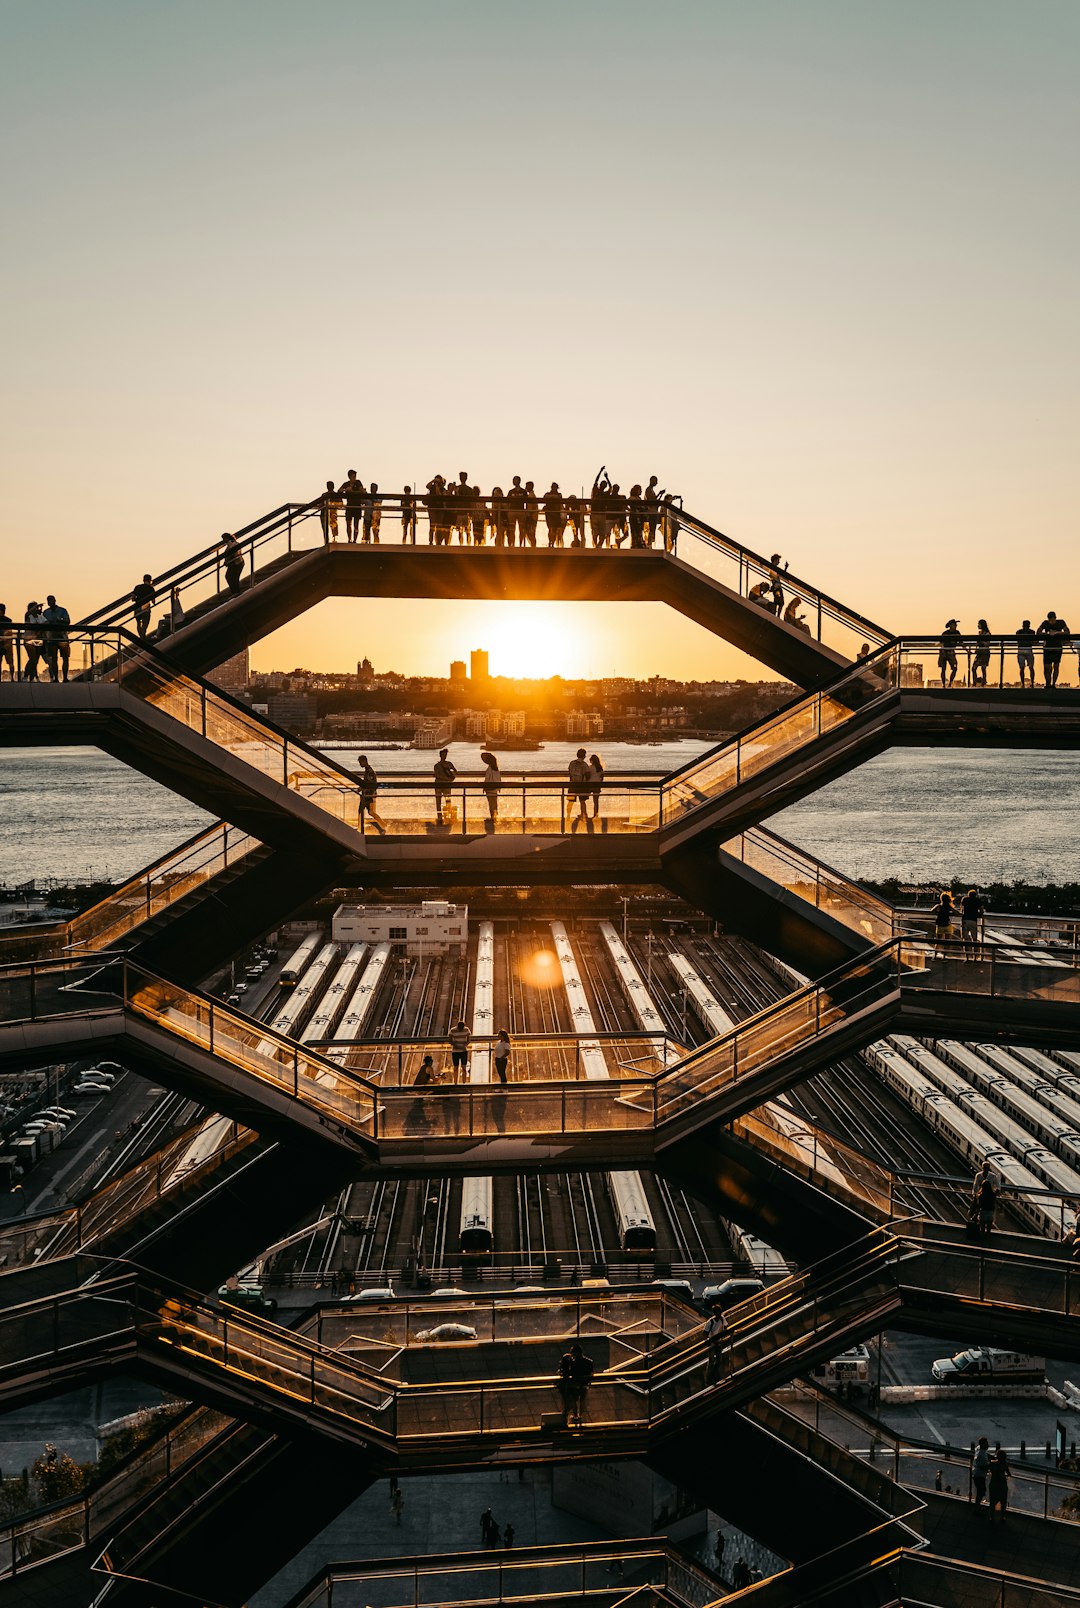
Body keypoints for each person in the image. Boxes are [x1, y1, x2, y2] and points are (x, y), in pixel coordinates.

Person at [1037, 610, 1071, 687]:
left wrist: (1057, 633)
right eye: (1050, 620)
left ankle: (1053, 684)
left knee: (1056, 666)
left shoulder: (1061, 622)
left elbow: (1067, 632)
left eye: (1052, 620)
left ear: (1055, 618)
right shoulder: (1045, 623)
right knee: (1047, 667)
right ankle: (1048, 683)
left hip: (1057, 647)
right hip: (1047, 647)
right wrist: (1047, 634)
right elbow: (1038, 631)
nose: (1051, 622)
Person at [42, 596, 71, 682]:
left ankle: (64, 677)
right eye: (48, 601)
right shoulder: (46, 612)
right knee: (54, 659)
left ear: (54, 601)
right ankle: (57, 678)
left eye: (50, 600)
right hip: (52, 637)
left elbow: (67, 621)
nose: (49, 602)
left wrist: (60, 621)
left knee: (64, 658)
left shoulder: (61, 611)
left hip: (61, 637)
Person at [356, 755, 386, 834]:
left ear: (364, 761)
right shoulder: (368, 771)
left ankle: (382, 826)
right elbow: (367, 783)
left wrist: (363, 789)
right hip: (368, 795)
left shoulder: (369, 771)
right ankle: (382, 827)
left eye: (360, 762)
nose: (360, 764)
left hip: (368, 796)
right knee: (369, 812)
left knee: (363, 811)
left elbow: (370, 784)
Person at [21, 602, 47, 681]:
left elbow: (46, 623)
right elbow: (28, 613)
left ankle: (32, 677)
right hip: (29, 639)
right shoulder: (29, 616)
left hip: (38, 639)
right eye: (35, 607)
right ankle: (25, 676)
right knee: (33, 659)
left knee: (36, 660)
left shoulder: (40, 617)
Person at [568, 748, 591, 831]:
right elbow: (588, 775)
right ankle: (583, 815)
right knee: (582, 801)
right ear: (584, 755)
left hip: (572, 785)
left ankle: (567, 816)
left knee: (570, 801)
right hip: (581, 785)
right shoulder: (584, 765)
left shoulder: (572, 763)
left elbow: (569, 773)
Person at [960, 887, 985, 960]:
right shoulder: (977, 900)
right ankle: (975, 958)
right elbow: (981, 911)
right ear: (975, 895)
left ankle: (967, 958)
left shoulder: (964, 899)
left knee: (966, 940)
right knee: (975, 940)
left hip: (965, 920)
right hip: (973, 920)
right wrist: (977, 914)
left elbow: (962, 909)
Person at [433, 748, 457, 825]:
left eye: (445, 754)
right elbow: (437, 775)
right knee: (439, 801)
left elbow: (455, 771)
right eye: (443, 754)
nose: (444, 756)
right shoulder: (437, 766)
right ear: (440, 755)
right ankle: (440, 817)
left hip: (444, 784)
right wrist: (448, 778)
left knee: (447, 801)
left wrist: (452, 777)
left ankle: (447, 817)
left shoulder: (448, 764)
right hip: (441, 784)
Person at [339, 471, 366, 541]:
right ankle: (349, 539)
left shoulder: (358, 482)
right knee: (348, 523)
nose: (354, 478)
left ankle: (355, 540)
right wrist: (346, 489)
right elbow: (339, 490)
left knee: (356, 524)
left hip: (357, 505)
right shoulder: (346, 484)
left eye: (355, 476)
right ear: (350, 477)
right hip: (349, 506)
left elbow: (361, 491)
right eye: (353, 476)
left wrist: (352, 492)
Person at [972, 1163, 997, 1236]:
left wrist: (975, 1214)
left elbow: (979, 1206)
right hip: (990, 1213)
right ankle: (988, 1238)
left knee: (982, 1228)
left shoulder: (981, 1196)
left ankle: (982, 1240)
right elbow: (994, 1204)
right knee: (989, 1229)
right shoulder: (992, 1195)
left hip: (983, 1213)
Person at [988, 1447, 1010, 1527]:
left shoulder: (993, 1463)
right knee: (1003, 1502)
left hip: (993, 1484)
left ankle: (992, 1517)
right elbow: (1008, 1473)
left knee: (993, 1501)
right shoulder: (1005, 1464)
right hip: (1002, 1484)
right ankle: (1002, 1517)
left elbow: (989, 1469)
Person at [704, 1307, 727, 1382]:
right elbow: (704, 1333)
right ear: (714, 1314)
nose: (720, 1315)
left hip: (718, 1342)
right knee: (711, 1361)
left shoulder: (722, 1319)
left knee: (719, 1360)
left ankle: (714, 1375)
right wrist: (710, 1341)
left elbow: (726, 1326)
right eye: (718, 1313)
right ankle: (708, 1378)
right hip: (712, 1343)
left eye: (720, 1313)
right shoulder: (710, 1322)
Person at [590, 467, 611, 547]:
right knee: (595, 533)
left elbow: (610, 488)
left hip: (602, 514)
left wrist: (607, 478)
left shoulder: (605, 494)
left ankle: (598, 546)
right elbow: (596, 480)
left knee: (602, 533)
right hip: (595, 513)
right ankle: (596, 546)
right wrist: (600, 472)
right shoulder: (595, 490)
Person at [480, 750, 502, 828]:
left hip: (490, 788)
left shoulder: (491, 769)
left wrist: (485, 787)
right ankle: (494, 817)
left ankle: (493, 817)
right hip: (494, 788)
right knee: (494, 803)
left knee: (491, 803)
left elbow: (488, 779)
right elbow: (498, 779)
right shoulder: (495, 768)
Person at [131, 574, 157, 640]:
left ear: (143, 580)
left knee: (138, 624)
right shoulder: (151, 588)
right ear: (150, 580)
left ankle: (142, 638)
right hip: (146, 608)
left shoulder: (137, 587)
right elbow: (153, 601)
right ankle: (142, 639)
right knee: (144, 625)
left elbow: (133, 598)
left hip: (137, 607)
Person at [937, 620, 962, 686]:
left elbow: (961, 642)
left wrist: (967, 650)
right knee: (943, 669)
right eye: (954, 624)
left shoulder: (957, 633)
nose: (956, 626)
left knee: (954, 668)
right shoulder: (945, 633)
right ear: (950, 625)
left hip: (950, 652)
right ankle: (944, 684)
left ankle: (950, 683)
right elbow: (941, 643)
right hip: (944, 652)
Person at [932, 889, 956, 956]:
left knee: (938, 941)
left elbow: (932, 911)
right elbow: (956, 912)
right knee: (947, 942)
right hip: (947, 925)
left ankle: (935, 955)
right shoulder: (949, 907)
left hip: (940, 925)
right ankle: (945, 956)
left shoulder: (939, 906)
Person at [317, 479, 341, 544]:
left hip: (331, 514)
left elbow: (340, 503)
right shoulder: (326, 495)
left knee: (332, 527)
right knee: (327, 528)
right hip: (326, 514)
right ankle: (329, 540)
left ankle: (332, 540)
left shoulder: (331, 495)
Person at [505, 476, 526, 547]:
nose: (513, 481)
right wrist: (507, 511)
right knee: (511, 529)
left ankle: (521, 544)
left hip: (521, 511)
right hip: (512, 511)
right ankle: (512, 544)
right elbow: (507, 502)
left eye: (515, 480)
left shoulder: (523, 491)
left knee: (521, 529)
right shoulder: (511, 492)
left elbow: (527, 502)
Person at [543, 483, 565, 547]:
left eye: (554, 487)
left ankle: (553, 543)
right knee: (550, 528)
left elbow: (559, 500)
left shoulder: (559, 495)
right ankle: (550, 542)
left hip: (556, 514)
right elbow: (544, 499)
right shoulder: (547, 494)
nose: (553, 488)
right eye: (553, 487)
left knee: (554, 529)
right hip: (549, 514)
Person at [1015, 619, 1036, 687]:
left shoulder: (1018, 632)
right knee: (1031, 667)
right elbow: (1033, 642)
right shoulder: (1032, 632)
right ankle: (1032, 683)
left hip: (1021, 649)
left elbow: (1018, 641)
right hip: (1028, 649)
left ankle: (1023, 683)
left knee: (1022, 668)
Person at [971, 619, 992, 687]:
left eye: (979, 624)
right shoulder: (980, 633)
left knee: (983, 668)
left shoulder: (987, 634)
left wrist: (981, 640)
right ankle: (974, 682)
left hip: (985, 652)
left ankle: (983, 682)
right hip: (979, 652)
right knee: (974, 668)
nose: (978, 625)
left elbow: (987, 643)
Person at [972, 1435, 990, 1508]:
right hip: (980, 1476)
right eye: (986, 1444)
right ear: (982, 1444)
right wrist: (991, 1465)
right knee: (981, 1492)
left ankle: (978, 1506)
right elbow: (982, 1466)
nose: (988, 1445)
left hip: (977, 1474)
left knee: (980, 1491)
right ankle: (977, 1507)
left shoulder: (979, 1449)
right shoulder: (981, 1455)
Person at [627, 484, 646, 548]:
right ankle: (635, 543)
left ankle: (639, 542)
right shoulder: (632, 498)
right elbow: (627, 504)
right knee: (635, 530)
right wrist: (632, 510)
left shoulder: (639, 498)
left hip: (640, 517)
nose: (641, 491)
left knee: (639, 530)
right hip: (634, 517)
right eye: (640, 490)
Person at [587, 753, 604, 821]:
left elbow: (587, 776)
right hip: (597, 785)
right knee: (596, 801)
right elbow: (602, 777)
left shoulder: (590, 767)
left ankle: (584, 813)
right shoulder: (600, 768)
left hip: (590, 785)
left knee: (583, 798)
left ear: (592, 760)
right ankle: (596, 814)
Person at [521, 481, 539, 547]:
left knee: (530, 532)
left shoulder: (531, 496)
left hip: (531, 517)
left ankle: (533, 545)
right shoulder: (531, 495)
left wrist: (528, 516)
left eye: (527, 486)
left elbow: (531, 508)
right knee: (531, 532)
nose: (526, 487)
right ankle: (533, 545)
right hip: (532, 516)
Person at [0, 604, 14, 682]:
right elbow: (10, 632)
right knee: (10, 662)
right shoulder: (8, 620)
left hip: (2, 642)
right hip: (7, 642)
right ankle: (12, 678)